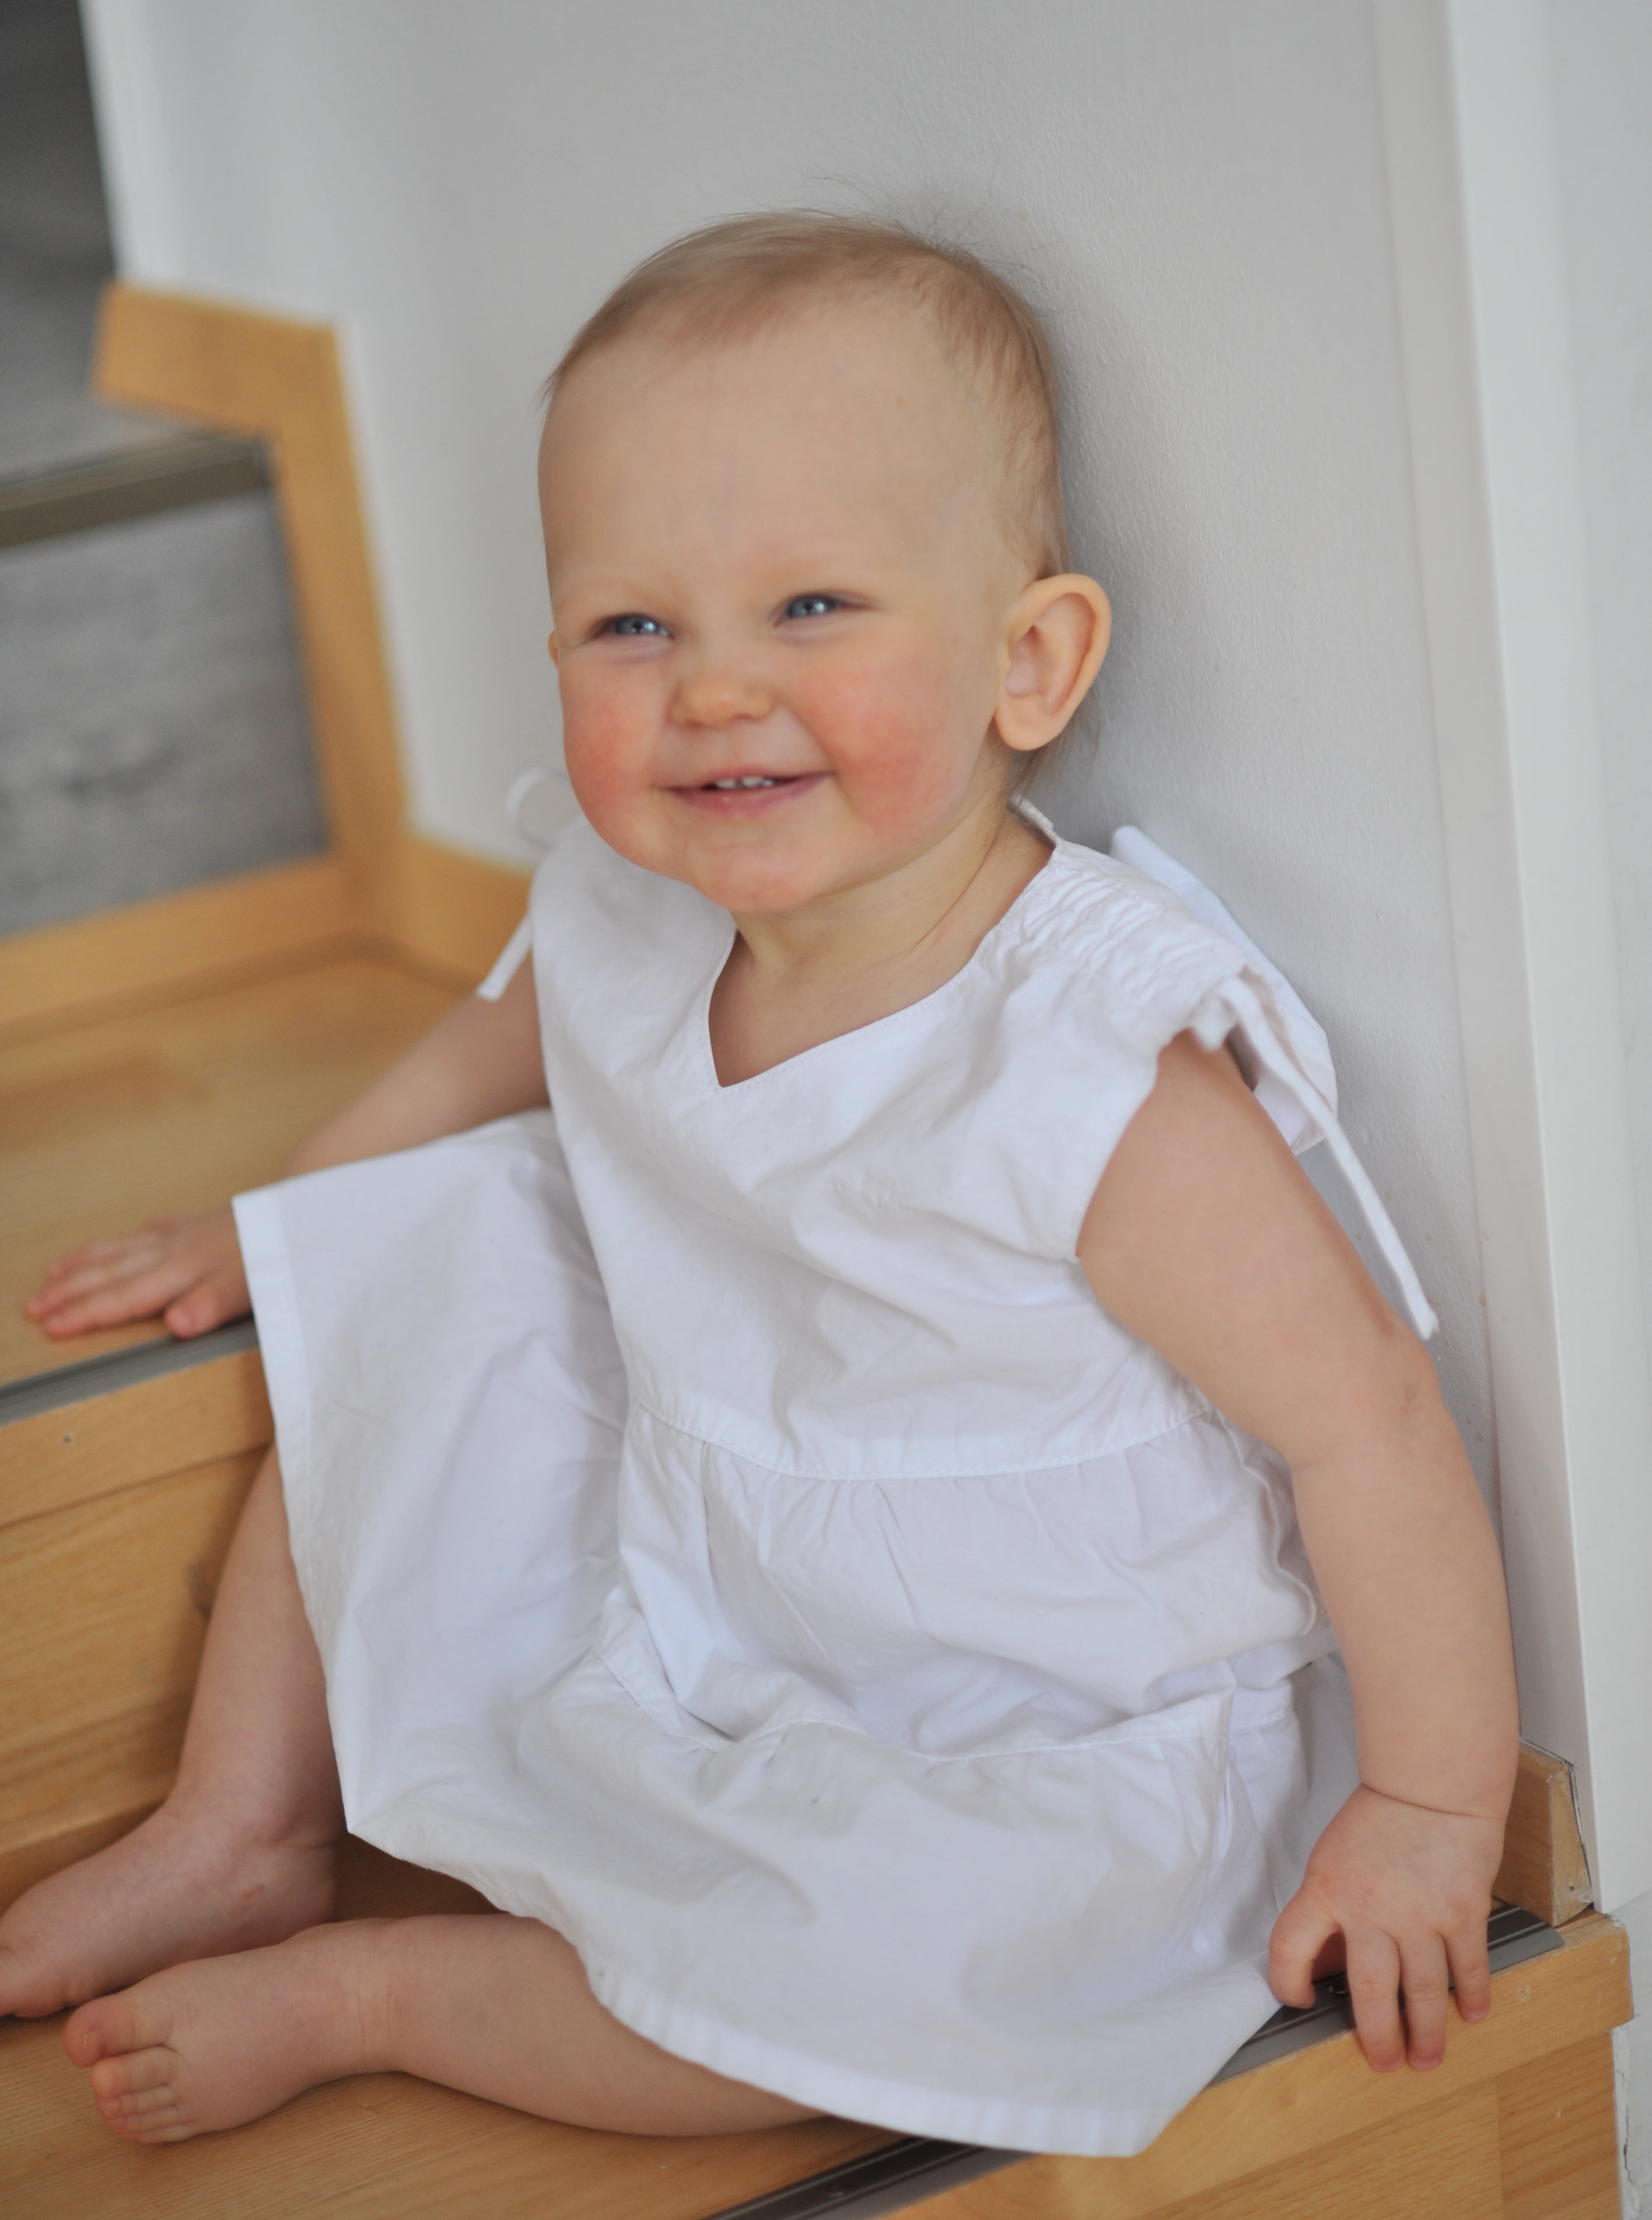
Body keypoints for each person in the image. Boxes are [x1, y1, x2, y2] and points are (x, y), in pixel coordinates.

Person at [6, 216, 1518, 2156]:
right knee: (427, 1244)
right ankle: (243, 1820)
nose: (715, 689)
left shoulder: (1084, 1070)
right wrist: (277, 1227)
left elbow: (1367, 1423)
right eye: (635, 628)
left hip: (1032, 1723)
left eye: (811, 607)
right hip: (720, 1560)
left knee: (886, 1976)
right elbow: (486, 1052)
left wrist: (1430, 1807)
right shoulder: (641, 912)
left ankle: (385, 1994)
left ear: (1028, 661)